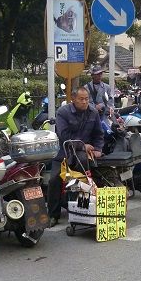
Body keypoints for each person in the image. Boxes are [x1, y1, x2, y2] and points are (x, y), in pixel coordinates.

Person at [46, 87, 105, 226]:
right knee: (54, 179)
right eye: (81, 99)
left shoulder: (93, 112)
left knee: (84, 177)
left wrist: (97, 149)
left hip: (81, 155)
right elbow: (64, 135)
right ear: (73, 99)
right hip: (63, 153)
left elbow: (99, 134)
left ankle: (82, 210)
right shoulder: (63, 112)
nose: (85, 102)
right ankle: (53, 215)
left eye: (87, 99)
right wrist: (82, 145)